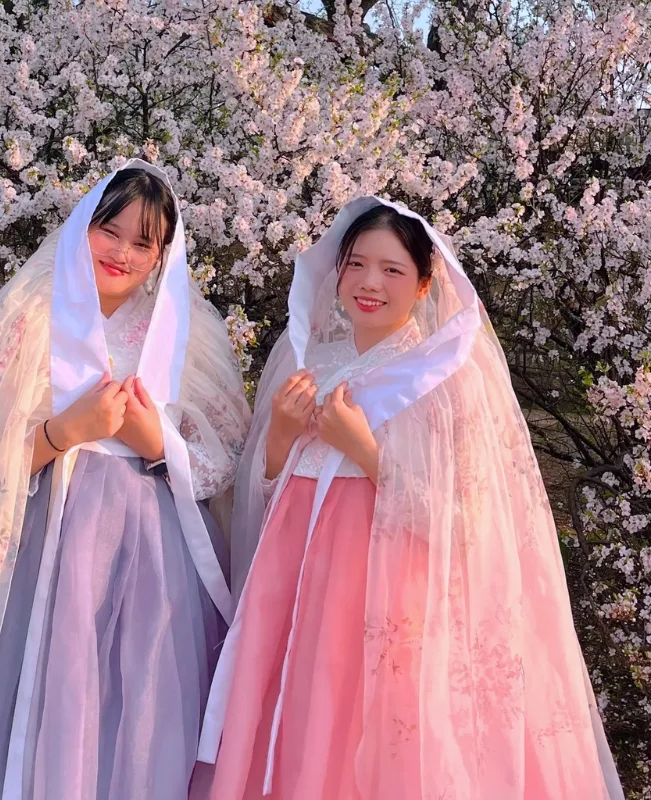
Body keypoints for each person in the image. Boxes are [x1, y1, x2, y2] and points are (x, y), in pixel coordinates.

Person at [0, 160, 251, 800]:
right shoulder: (30, 318)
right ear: (83, 224)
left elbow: (222, 461)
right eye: (109, 230)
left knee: (132, 706)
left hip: (149, 560)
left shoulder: (188, 334)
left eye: (143, 242)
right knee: (29, 698)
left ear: (163, 252)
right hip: (39, 549)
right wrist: (66, 431)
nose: (121, 252)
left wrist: (155, 442)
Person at [197, 198, 623, 800]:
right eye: (356, 264)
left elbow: (466, 526)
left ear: (424, 285)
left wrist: (365, 451)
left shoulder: (443, 382)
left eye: (392, 270)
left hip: (385, 600)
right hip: (294, 596)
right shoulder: (304, 363)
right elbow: (267, 499)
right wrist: (281, 439)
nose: (370, 283)